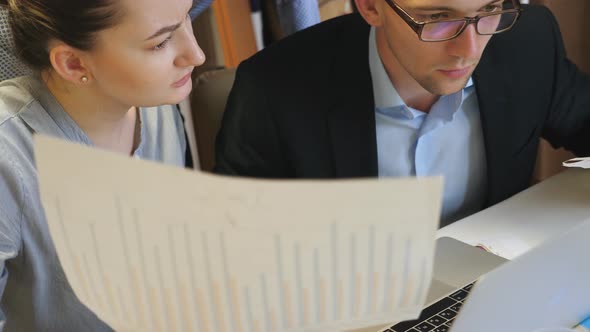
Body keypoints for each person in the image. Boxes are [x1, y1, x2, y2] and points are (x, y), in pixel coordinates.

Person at [214, 0, 590, 225]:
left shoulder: (527, 42)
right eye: (439, 17)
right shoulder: (273, 88)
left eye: (488, 10)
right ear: (371, 6)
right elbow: (239, 248)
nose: (469, 49)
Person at [0, 0, 205, 329]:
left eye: (186, 19)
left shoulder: (156, 106)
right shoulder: (9, 158)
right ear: (73, 63)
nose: (196, 55)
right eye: (162, 42)